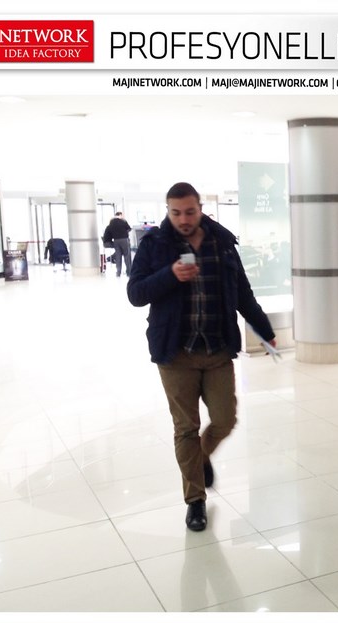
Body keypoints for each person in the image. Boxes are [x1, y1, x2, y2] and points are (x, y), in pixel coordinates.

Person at [127, 182, 276, 532]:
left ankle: (201, 456)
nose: (183, 219)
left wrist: (264, 329)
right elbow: (135, 293)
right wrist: (170, 275)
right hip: (175, 352)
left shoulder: (221, 243)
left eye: (190, 212)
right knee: (186, 429)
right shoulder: (154, 245)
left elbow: (242, 293)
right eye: (176, 212)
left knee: (225, 419)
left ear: (201, 209)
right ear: (168, 211)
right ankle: (195, 500)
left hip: (217, 349)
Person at [102, 211, 133, 277]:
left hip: (116, 240)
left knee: (118, 256)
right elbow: (129, 229)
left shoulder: (111, 223)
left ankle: (118, 273)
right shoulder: (123, 221)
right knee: (126, 256)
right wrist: (124, 232)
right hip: (124, 239)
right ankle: (129, 272)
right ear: (120, 215)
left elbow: (109, 232)